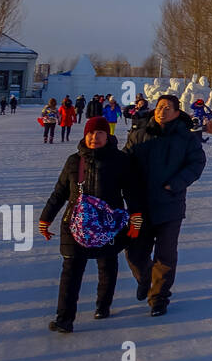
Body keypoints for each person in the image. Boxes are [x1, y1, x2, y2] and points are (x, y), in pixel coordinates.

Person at [38, 116, 141, 332]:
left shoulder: (120, 160)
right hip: (75, 224)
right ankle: (64, 318)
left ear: (107, 135)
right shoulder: (74, 160)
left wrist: (135, 220)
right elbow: (60, 192)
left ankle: (103, 305)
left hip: (108, 224)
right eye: (90, 133)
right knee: (71, 270)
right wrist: (46, 218)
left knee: (107, 265)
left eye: (100, 133)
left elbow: (132, 192)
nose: (94, 137)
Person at [123, 94, 206, 316]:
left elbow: (197, 163)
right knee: (134, 253)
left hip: (170, 205)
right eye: (160, 107)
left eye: (168, 108)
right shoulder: (139, 135)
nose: (163, 111)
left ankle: (159, 298)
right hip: (140, 205)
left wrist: (176, 184)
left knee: (165, 255)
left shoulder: (186, 138)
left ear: (177, 113)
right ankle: (145, 278)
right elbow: (124, 163)